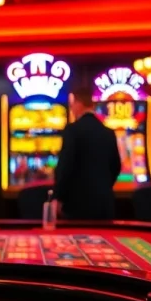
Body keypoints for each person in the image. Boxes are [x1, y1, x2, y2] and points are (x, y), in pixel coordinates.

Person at [54, 86, 121, 220]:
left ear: (79, 103)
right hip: (104, 204)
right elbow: (116, 166)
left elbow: (65, 167)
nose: (72, 108)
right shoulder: (108, 132)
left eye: (72, 104)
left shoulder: (72, 130)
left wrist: (58, 197)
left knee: (78, 240)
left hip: (77, 205)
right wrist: (102, 187)